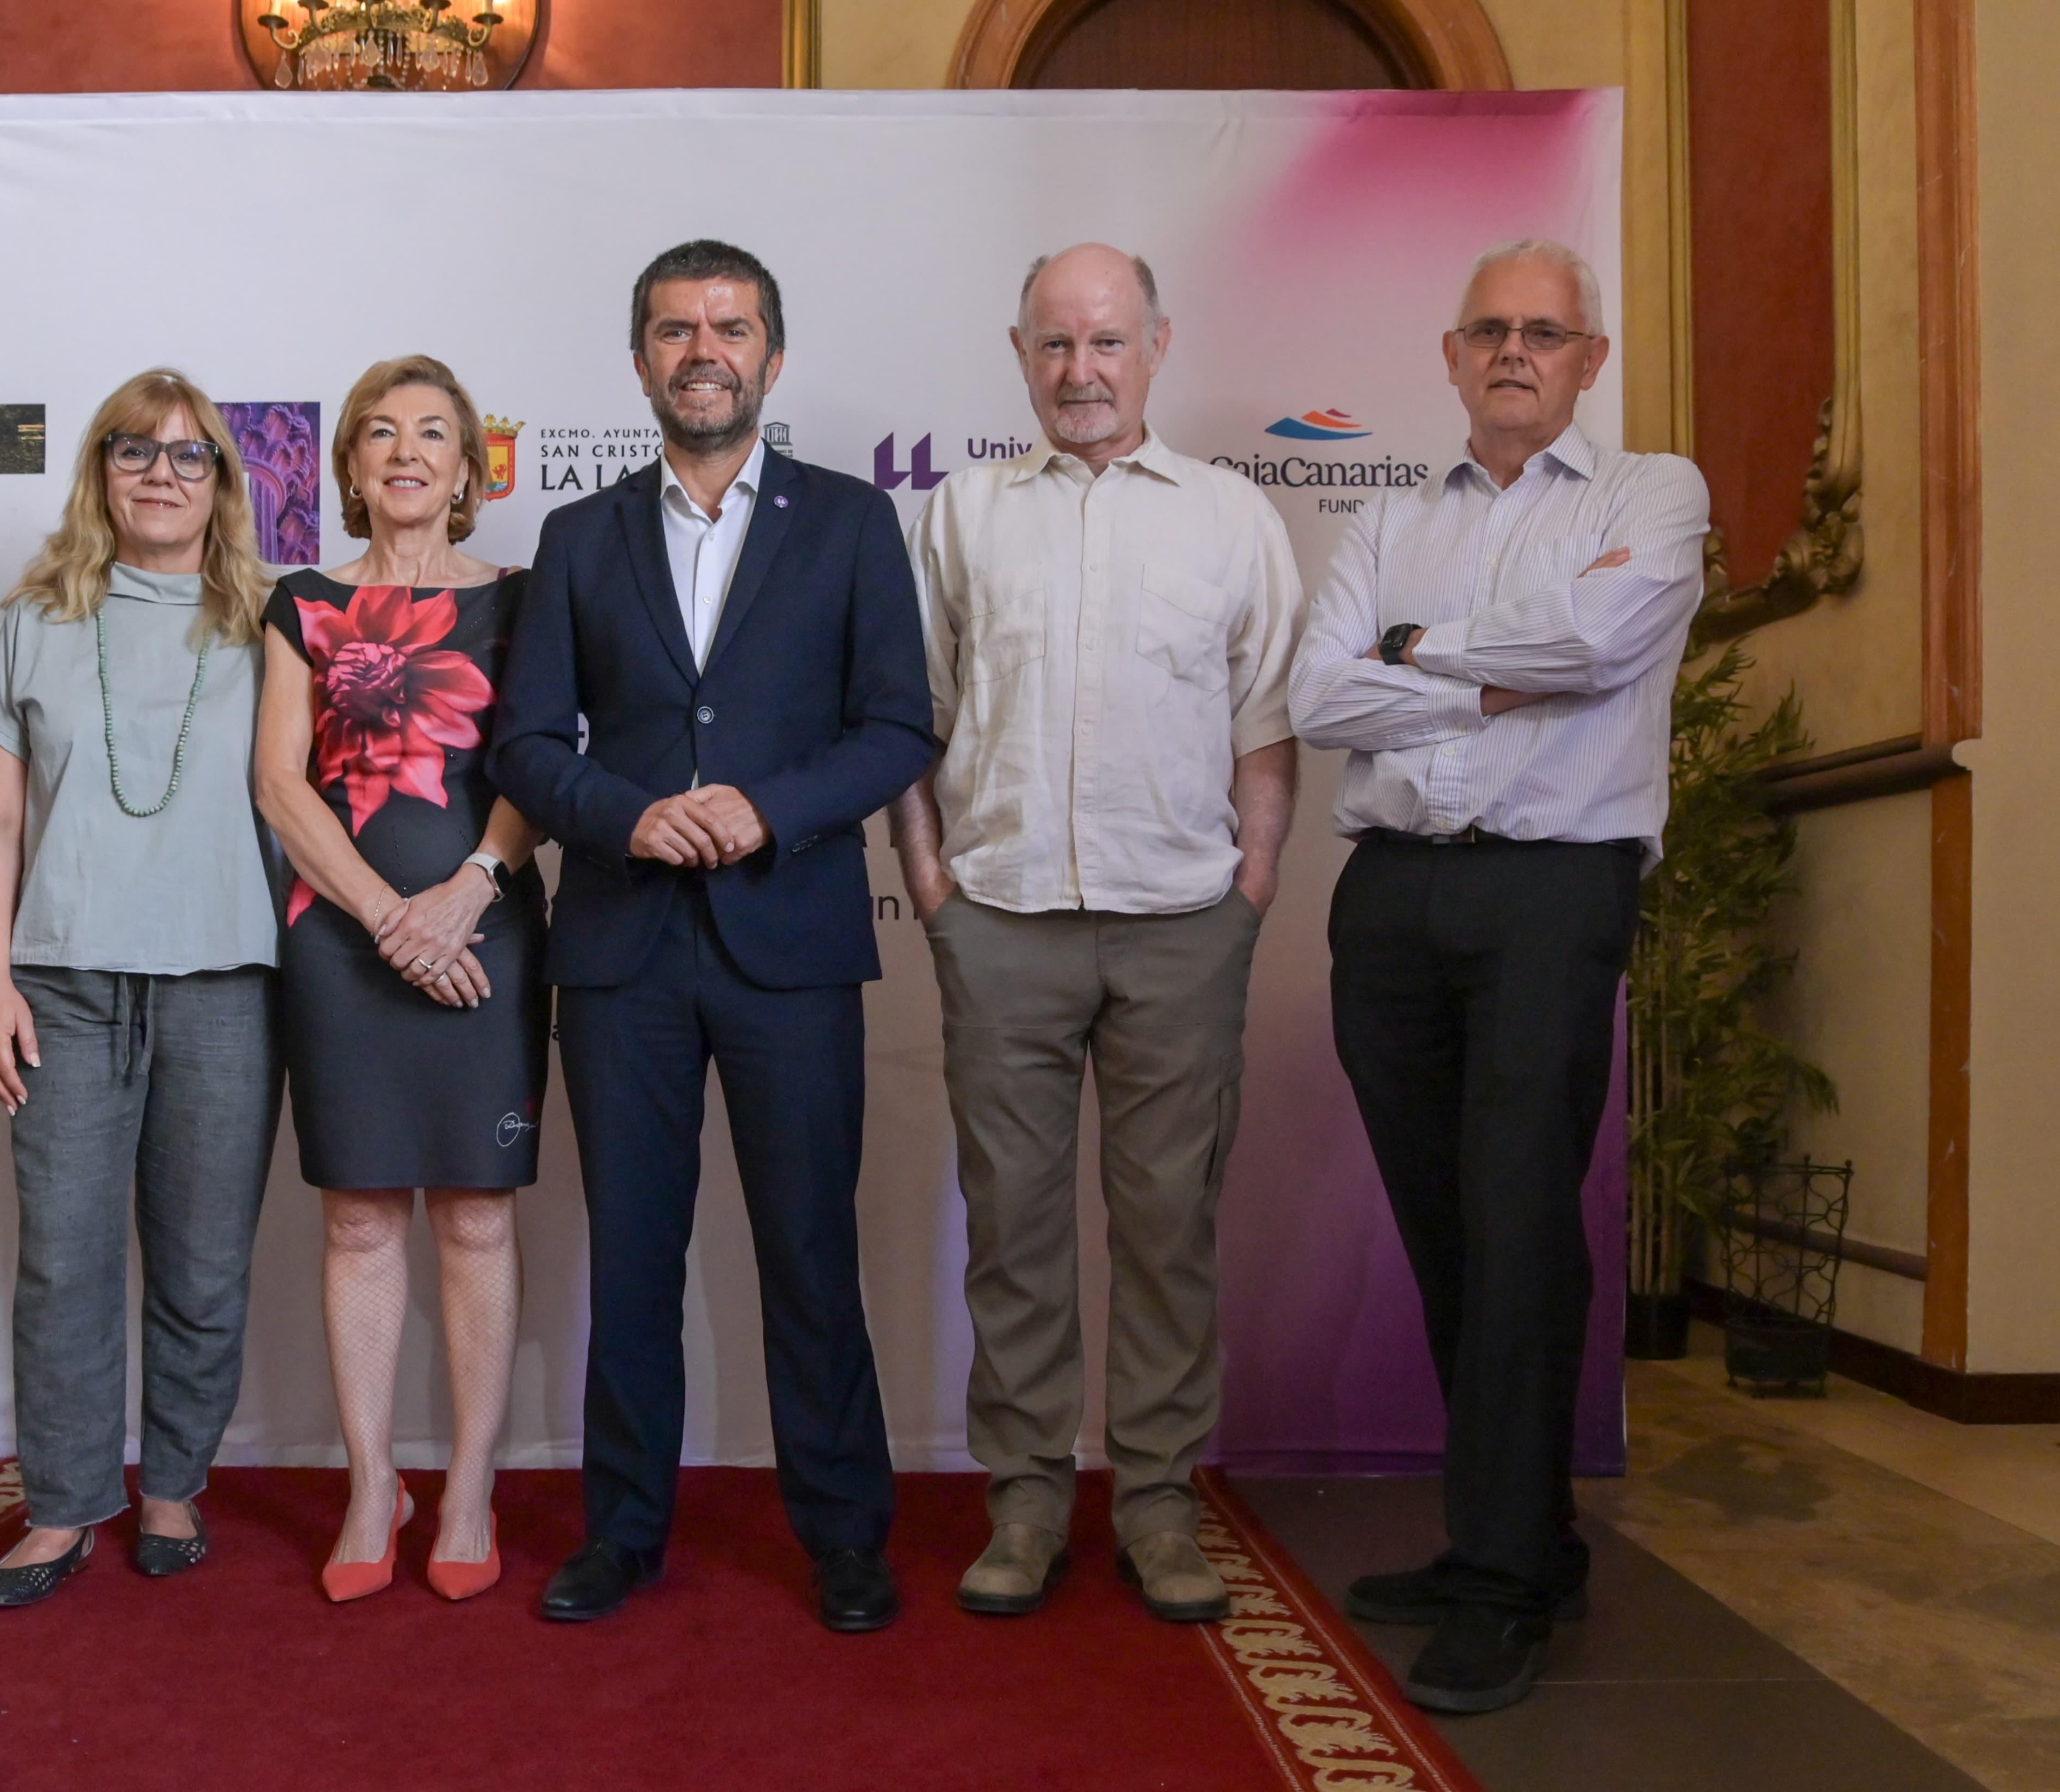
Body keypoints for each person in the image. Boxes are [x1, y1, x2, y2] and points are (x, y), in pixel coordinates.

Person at [491, 240, 939, 1633]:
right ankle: (622, 1532)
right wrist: (630, 818)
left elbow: (897, 728)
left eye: (730, 327)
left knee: (809, 1251)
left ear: (771, 355)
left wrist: (766, 810)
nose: (704, 349)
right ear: (638, 359)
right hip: (623, 949)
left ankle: (844, 1533)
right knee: (631, 1253)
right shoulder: (577, 536)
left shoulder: (854, 522)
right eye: (676, 328)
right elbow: (522, 740)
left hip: (790, 942)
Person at [1288, 239, 1709, 1713]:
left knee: (1522, 1215)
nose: (1516, 350)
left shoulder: (1652, 493)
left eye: (1546, 331)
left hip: (1551, 886)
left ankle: (1501, 1574)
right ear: (1453, 355)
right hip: (1393, 897)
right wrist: (1482, 665)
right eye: (1490, 330)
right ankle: (1525, 1532)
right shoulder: (1388, 514)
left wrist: (1423, 652)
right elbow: (1320, 689)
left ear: (1587, 359)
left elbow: (1602, 641)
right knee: (1453, 1226)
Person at [890, 244, 1301, 1624]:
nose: (1081, 372)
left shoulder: (1232, 518)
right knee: (1011, 1226)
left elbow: (1264, 728)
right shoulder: (959, 514)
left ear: (1157, 346)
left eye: (1107, 343)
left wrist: (1247, 892)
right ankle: (1021, 1497)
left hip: (1182, 921)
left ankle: (1158, 1498)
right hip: (998, 917)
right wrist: (931, 885)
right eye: (1056, 345)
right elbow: (919, 717)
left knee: (1169, 1224)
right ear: (1019, 353)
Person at [0, 370, 284, 1608]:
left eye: (189, 454)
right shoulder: (35, 617)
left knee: (205, 1260)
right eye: (134, 450)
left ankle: (173, 1484)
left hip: (223, 983)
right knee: (66, 1258)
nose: (161, 471)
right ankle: (62, 1502)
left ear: (223, 481)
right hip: (65, 984)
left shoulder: (271, 618)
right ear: (99, 471)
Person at [254, 355, 549, 1604]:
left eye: (433, 431)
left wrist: (461, 899)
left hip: (488, 931)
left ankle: (470, 1478)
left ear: (471, 465)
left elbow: (541, 769)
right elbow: (280, 783)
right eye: (380, 432)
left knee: (477, 1212)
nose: (406, 450)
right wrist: (388, 920)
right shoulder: (303, 601)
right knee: (361, 1214)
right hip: (341, 941)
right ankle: (375, 1478)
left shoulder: (529, 599)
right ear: (351, 466)